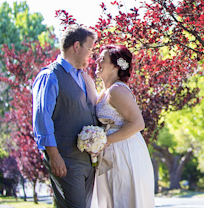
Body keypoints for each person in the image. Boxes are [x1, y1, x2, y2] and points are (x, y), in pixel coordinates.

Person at [32, 24, 99, 208]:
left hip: (87, 161)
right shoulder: (50, 76)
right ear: (76, 46)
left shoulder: (85, 78)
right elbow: (41, 119)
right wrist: (54, 155)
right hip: (65, 160)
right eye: (89, 48)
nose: (91, 54)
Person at [91, 45, 155, 208]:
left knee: (124, 198)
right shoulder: (104, 92)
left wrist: (106, 141)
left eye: (102, 59)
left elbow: (137, 123)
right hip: (111, 152)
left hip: (125, 153)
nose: (97, 61)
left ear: (115, 65)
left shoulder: (117, 90)